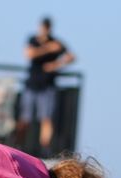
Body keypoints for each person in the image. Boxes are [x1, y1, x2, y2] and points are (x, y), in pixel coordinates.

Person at [18, 18, 73, 155]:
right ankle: (18, 146)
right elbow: (29, 54)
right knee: (25, 119)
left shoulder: (56, 42)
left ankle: (45, 149)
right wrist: (48, 48)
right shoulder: (33, 40)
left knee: (46, 118)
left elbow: (71, 57)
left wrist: (56, 65)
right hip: (32, 84)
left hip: (48, 86)